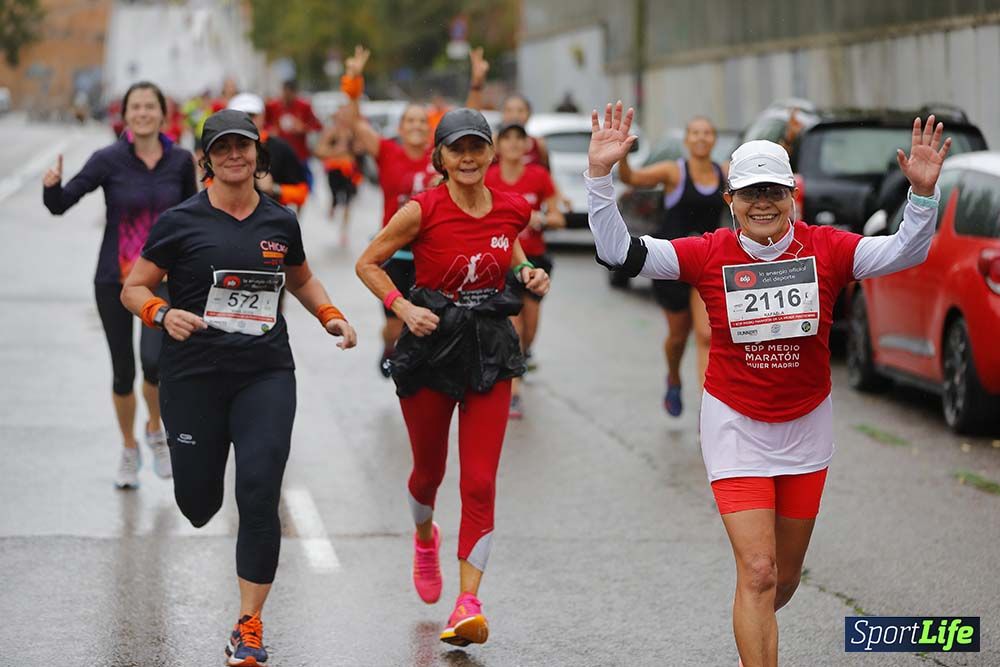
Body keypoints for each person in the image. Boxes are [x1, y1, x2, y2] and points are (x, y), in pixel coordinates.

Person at [587, 101, 949, 666]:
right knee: (757, 572)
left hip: (806, 427)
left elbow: (906, 249)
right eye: (750, 193)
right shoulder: (708, 253)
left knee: (781, 581)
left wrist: (922, 196)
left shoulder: (827, 248)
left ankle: (752, 622)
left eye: (773, 193)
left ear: (792, 198)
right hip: (736, 425)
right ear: (730, 201)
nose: (762, 204)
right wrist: (599, 178)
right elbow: (617, 250)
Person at [121, 109, 357, 667]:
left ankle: (248, 625)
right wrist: (161, 313)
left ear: (257, 154)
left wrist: (329, 313)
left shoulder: (280, 220)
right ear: (205, 158)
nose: (234, 155)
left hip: (265, 372)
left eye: (243, 147)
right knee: (198, 504)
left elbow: (299, 277)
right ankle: (196, 486)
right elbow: (134, 287)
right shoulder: (179, 221)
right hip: (193, 377)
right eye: (222, 147)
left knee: (257, 493)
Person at [356, 108, 549, 646]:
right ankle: (424, 538)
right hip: (431, 347)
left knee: (481, 480)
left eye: (476, 147)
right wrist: (401, 307)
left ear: (491, 154)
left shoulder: (513, 207)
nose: (467, 158)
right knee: (427, 473)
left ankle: (468, 601)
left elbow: (507, 248)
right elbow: (368, 262)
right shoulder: (421, 210)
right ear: (438, 157)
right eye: (456, 149)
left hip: (488, 349)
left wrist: (526, 272)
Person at [43, 80, 197, 489]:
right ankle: (129, 448)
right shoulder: (107, 159)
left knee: (155, 362)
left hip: (160, 281)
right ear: (125, 114)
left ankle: (154, 429)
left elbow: (192, 220)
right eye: (136, 107)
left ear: (163, 114)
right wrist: (51, 186)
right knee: (122, 371)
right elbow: (60, 204)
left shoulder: (180, 162)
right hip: (114, 279)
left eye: (150, 106)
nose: (143, 113)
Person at [340, 46, 440, 376]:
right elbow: (355, 123)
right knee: (397, 325)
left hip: (431, 253)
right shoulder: (387, 151)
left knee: (429, 321)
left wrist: (478, 85)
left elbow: (472, 129)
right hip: (394, 254)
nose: (415, 126)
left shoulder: (441, 156)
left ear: (429, 128)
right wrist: (353, 80)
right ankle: (388, 345)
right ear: (401, 126)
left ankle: (421, 368)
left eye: (421, 121)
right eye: (409, 121)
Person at [618, 116, 727, 416]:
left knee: (706, 335)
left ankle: (709, 413)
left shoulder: (724, 173)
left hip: (707, 265)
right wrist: (624, 154)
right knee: (678, 337)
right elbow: (631, 179)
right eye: (695, 133)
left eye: (707, 133)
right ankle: (674, 377)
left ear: (714, 139)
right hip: (673, 265)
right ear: (688, 140)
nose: (702, 138)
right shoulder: (673, 172)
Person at [484, 122, 565, 419]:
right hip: (502, 261)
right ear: (499, 145)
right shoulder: (489, 177)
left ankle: (525, 354)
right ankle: (513, 392)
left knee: (529, 328)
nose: (515, 145)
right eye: (508, 139)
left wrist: (539, 219)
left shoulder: (539, 176)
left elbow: (558, 217)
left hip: (536, 261)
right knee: (513, 327)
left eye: (521, 139)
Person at [465, 48, 549, 169]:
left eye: (520, 110)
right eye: (509, 110)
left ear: (529, 114)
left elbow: (548, 178)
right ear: (502, 114)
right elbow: (469, 122)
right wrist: (476, 84)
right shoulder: (492, 143)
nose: (515, 115)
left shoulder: (538, 145)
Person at [228, 92, 309, 210]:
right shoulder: (220, 148)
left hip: (271, 220)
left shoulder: (280, 148)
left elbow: (302, 192)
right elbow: (209, 184)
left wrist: (275, 189)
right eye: (238, 115)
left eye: (251, 115)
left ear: (262, 116)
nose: (244, 120)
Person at [314, 104, 362, 242]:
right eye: (341, 115)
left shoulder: (353, 133)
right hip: (334, 169)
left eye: (346, 115)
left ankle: (344, 231)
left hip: (349, 170)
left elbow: (361, 148)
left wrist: (356, 148)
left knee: (348, 200)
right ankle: (333, 205)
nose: (343, 118)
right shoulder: (331, 132)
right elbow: (319, 151)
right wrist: (335, 151)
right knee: (335, 195)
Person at [265, 79, 322, 192]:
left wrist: (302, 128)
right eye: (284, 93)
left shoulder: (304, 106)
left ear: (295, 93)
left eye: (289, 94)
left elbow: (317, 126)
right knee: (279, 182)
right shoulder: (273, 106)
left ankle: (299, 207)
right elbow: (264, 123)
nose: (286, 97)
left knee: (302, 183)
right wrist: (271, 130)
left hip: (299, 153)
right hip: (278, 153)